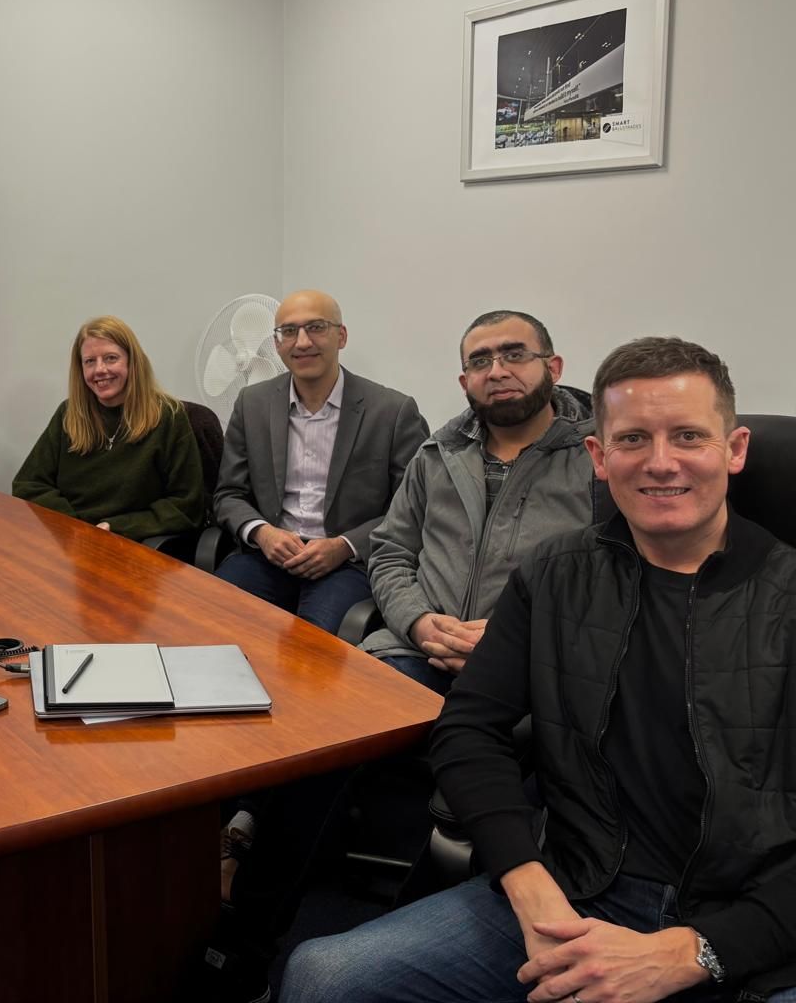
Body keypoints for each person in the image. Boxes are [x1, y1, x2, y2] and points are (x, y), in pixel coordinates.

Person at [282, 337, 796, 1003]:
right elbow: (469, 731)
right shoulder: (555, 575)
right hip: (577, 890)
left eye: (689, 436)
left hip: (752, 921)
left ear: (735, 449)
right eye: (633, 439)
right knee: (323, 977)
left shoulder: (786, 593)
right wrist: (527, 881)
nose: (661, 463)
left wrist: (699, 950)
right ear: (598, 457)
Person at [364, 310, 597, 694]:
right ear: (464, 381)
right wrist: (418, 622)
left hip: (537, 666)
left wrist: (519, 635)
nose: (497, 371)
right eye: (480, 361)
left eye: (515, 355)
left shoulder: (597, 463)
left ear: (553, 368)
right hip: (419, 653)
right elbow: (391, 553)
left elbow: (613, 582)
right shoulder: (436, 454)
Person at [213, 290, 428, 635]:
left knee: (310, 652)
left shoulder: (392, 411)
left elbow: (412, 509)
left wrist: (344, 546)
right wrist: (263, 533)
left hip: (348, 564)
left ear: (341, 336)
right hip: (268, 555)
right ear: (277, 343)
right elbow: (228, 495)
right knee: (212, 622)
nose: (302, 342)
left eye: (316, 327)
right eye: (289, 331)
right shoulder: (251, 403)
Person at [12, 315, 204, 541]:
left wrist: (115, 527)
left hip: (132, 546)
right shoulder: (69, 414)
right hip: (73, 541)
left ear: (132, 362)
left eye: (111, 358)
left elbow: (186, 505)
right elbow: (28, 485)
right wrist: (75, 526)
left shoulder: (168, 417)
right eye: (89, 361)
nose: (99, 370)